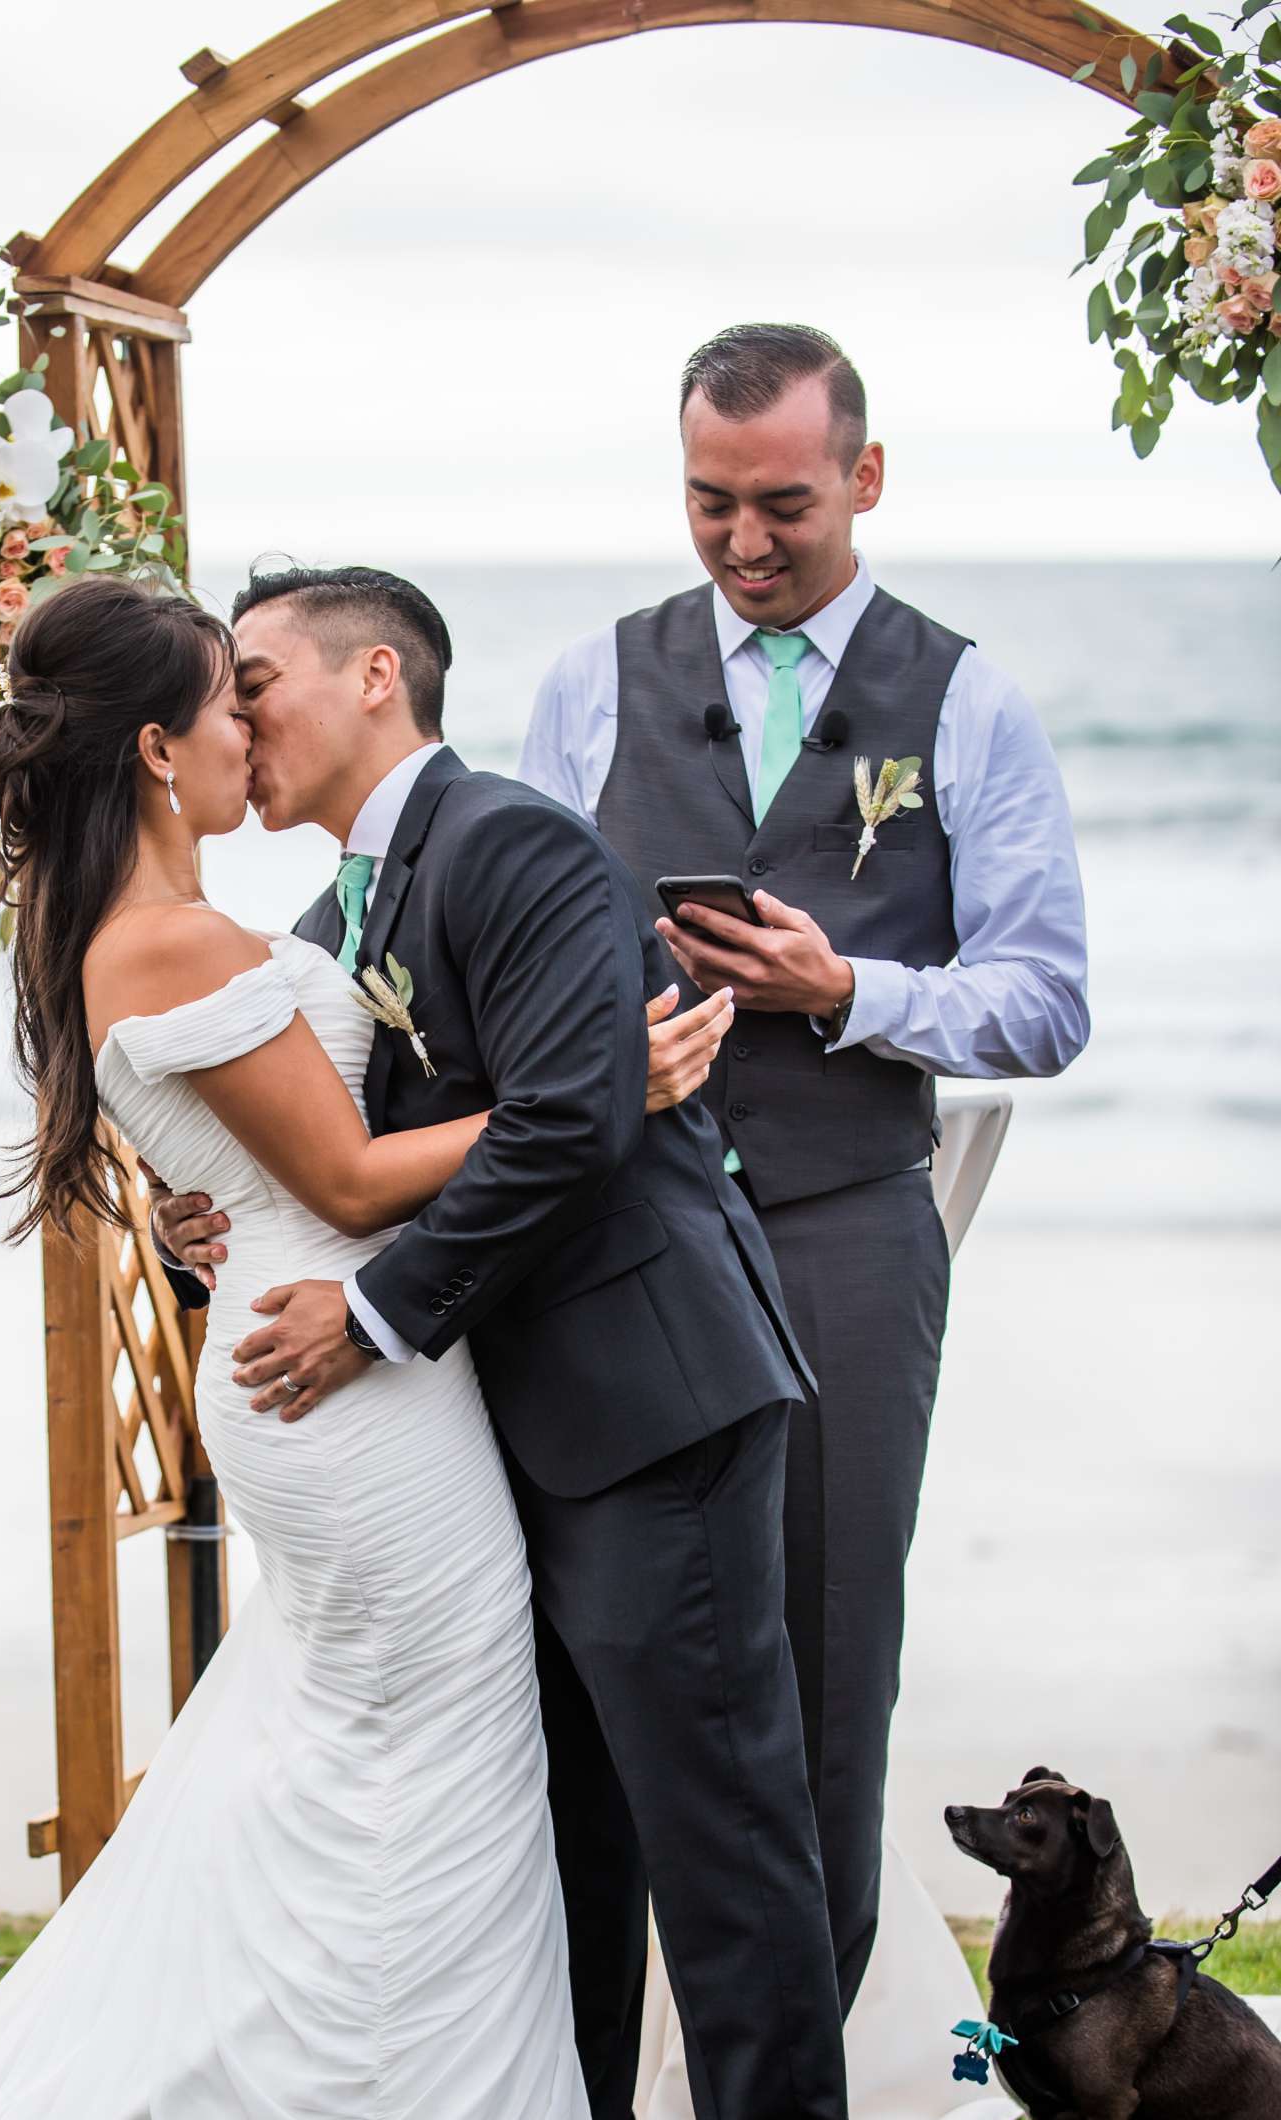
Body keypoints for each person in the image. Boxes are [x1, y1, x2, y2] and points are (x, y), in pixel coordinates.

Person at [0, 576, 727, 2120]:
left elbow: (258, 1167)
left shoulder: (166, 925)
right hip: (343, 1378)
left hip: (330, 1359)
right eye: (228, 708)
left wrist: (213, 1201)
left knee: (367, 1757)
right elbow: (344, 1180)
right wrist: (612, 1085)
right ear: (161, 749)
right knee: (420, 1750)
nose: (255, 729)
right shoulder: (168, 943)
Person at [153, 562, 864, 2120]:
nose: (239, 719)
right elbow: (348, 1145)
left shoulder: (520, 845)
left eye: (259, 682)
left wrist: (376, 1316)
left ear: (375, 675)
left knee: (718, 1820)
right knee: (572, 1823)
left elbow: (566, 1122)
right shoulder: (336, 903)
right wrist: (211, 1211)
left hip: (650, 1395)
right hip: (503, 1432)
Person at [518, 323, 1090, 2015]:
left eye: (784, 504)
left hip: (851, 1224)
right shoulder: (585, 684)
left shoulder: (967, 694)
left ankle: (794, 2106)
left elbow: (1046, 1000)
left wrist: (849, 993)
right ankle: (593, 2085)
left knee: (829, 1657)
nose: (748, 541)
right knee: (599, 1644)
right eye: (710, 504)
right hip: (623, 1229)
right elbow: (502, 949)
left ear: (866, 476)